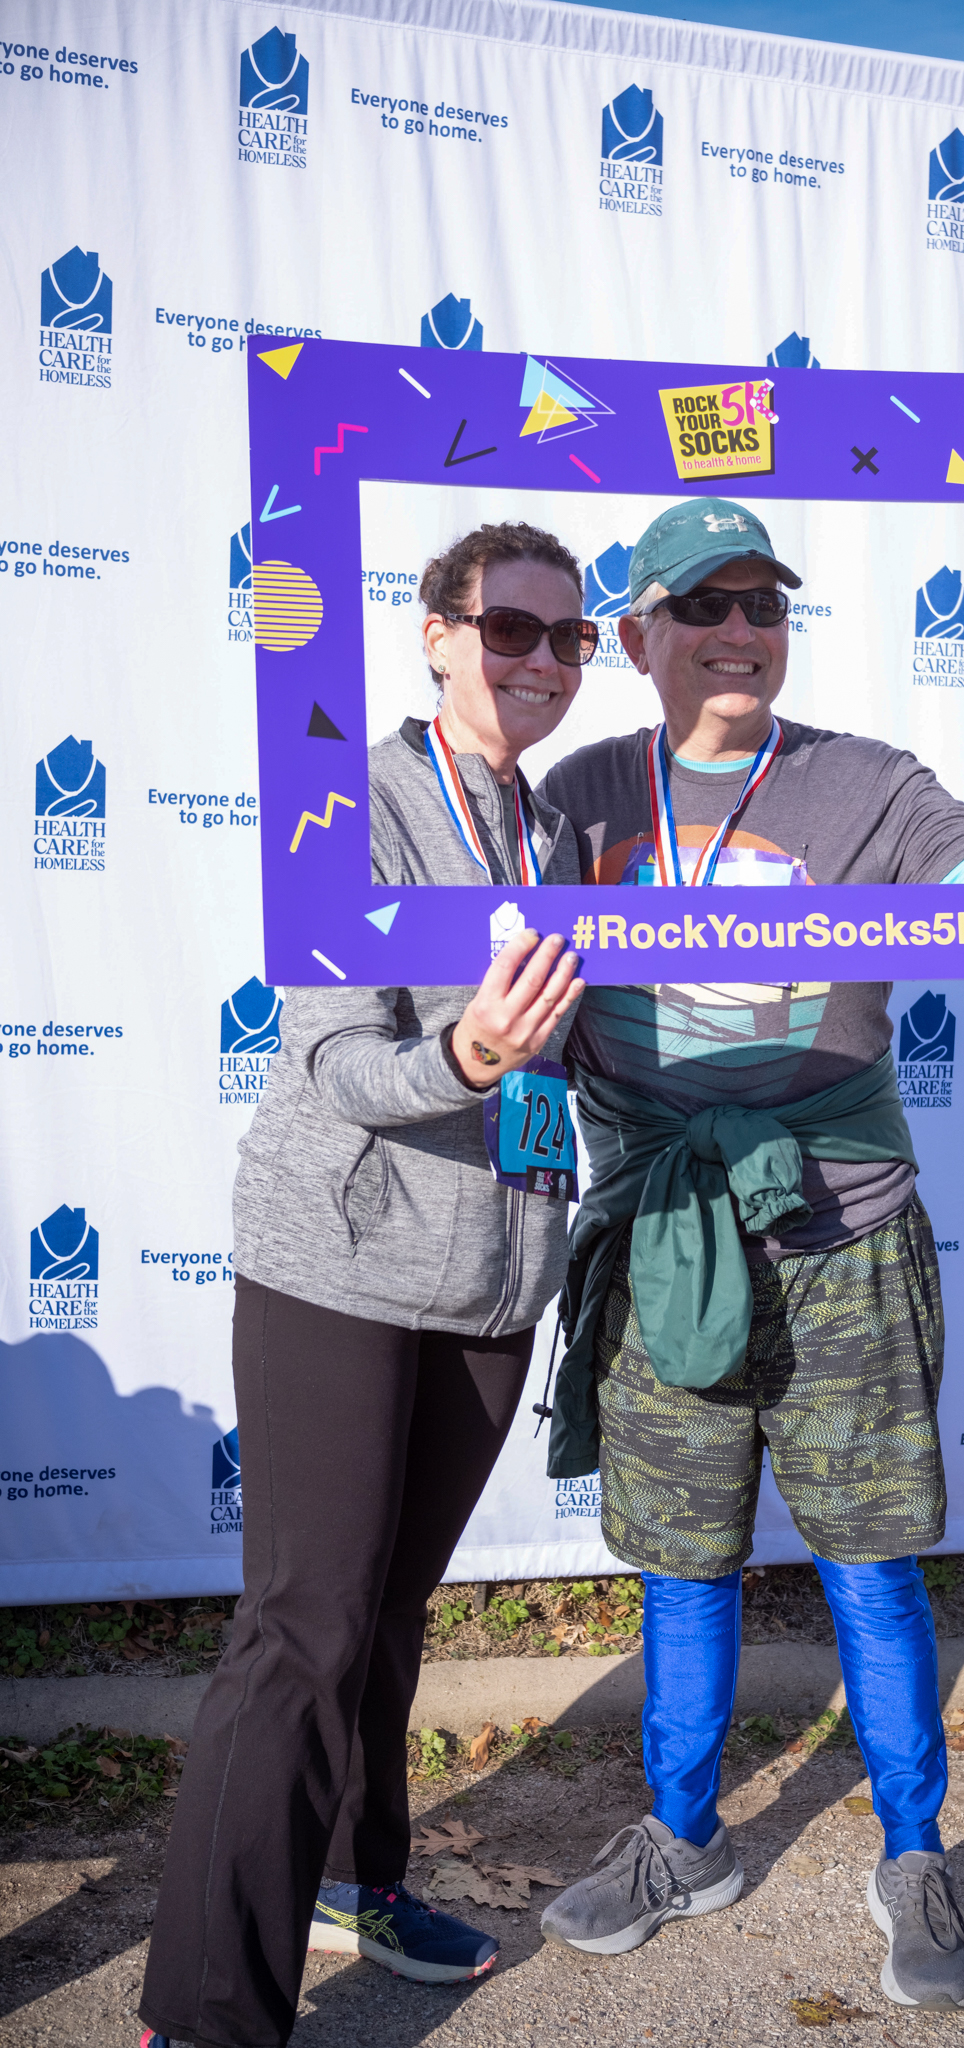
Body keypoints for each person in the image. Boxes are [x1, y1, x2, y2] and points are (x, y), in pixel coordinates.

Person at [535, 498, 964, 2010]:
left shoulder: (863, 784)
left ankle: (910, 1854)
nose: (741, 630)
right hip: (660, 1233)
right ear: (635, 633)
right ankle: (682, 1838)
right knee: (682, 1566)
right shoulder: (577, 793)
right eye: (705, 604)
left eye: (764, 602)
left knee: (872, 1565)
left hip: (844, 1232)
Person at [139, 522, 591, 2048]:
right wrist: (469, 1058)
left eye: (568, 640)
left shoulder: (561, 831)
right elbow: (332, 1055)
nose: (541, 661)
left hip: (496, 1265)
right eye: (511, 630)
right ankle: (205, 2008)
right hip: (339, 1257)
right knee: (302, 1629)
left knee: (389, 1616)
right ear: (436, 632)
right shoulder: (354, 794)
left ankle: (354, 1875)